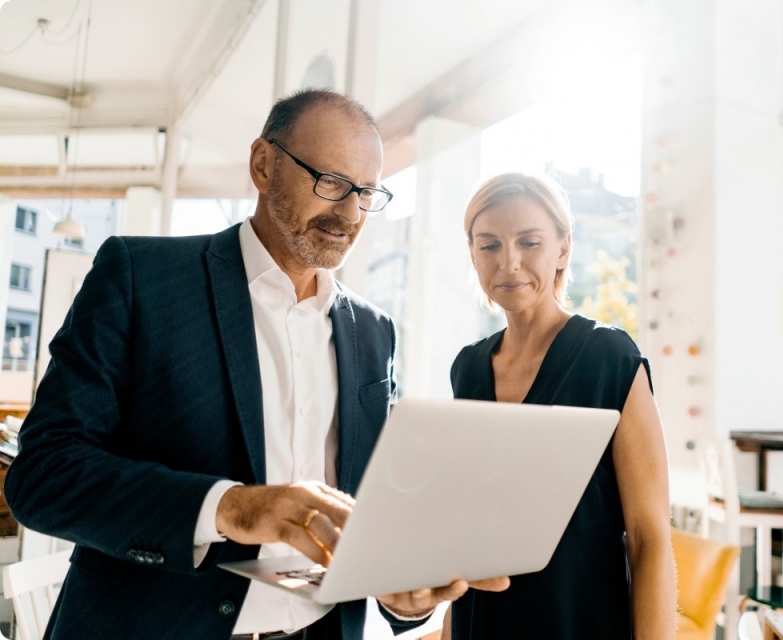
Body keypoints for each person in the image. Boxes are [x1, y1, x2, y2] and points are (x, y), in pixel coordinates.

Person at [5, 89, 504, 640]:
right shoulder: (139, 277)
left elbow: (368, 506)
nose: (348, 213)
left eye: (365, 192)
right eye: (331, 181)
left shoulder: (373, 332)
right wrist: (233, 508)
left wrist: (405, 594)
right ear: (263, 165)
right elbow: (42, 478)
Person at [445, 173, 677, 639]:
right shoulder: (467, 368)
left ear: (563, 249)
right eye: (489, 245)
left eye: (528, 242)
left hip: (576, 621)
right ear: (472, 254)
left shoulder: (609, 357)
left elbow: (650, 539)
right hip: (480, 621)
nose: (509, 262)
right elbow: (468, 534)